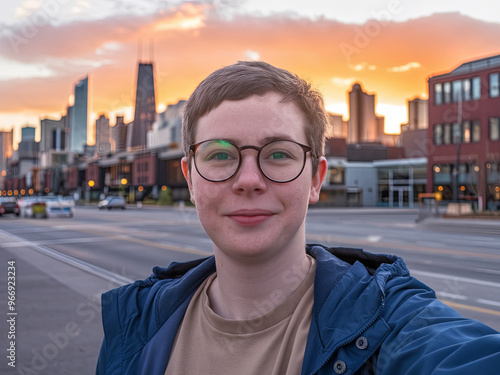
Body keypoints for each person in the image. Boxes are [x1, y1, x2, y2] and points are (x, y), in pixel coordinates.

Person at [96, 61, 500, 375]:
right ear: (190, 176)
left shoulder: (388, 320)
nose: (249, 180)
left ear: (315, 178)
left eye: (278, 153)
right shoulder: (138, 322)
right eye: (220, 155)